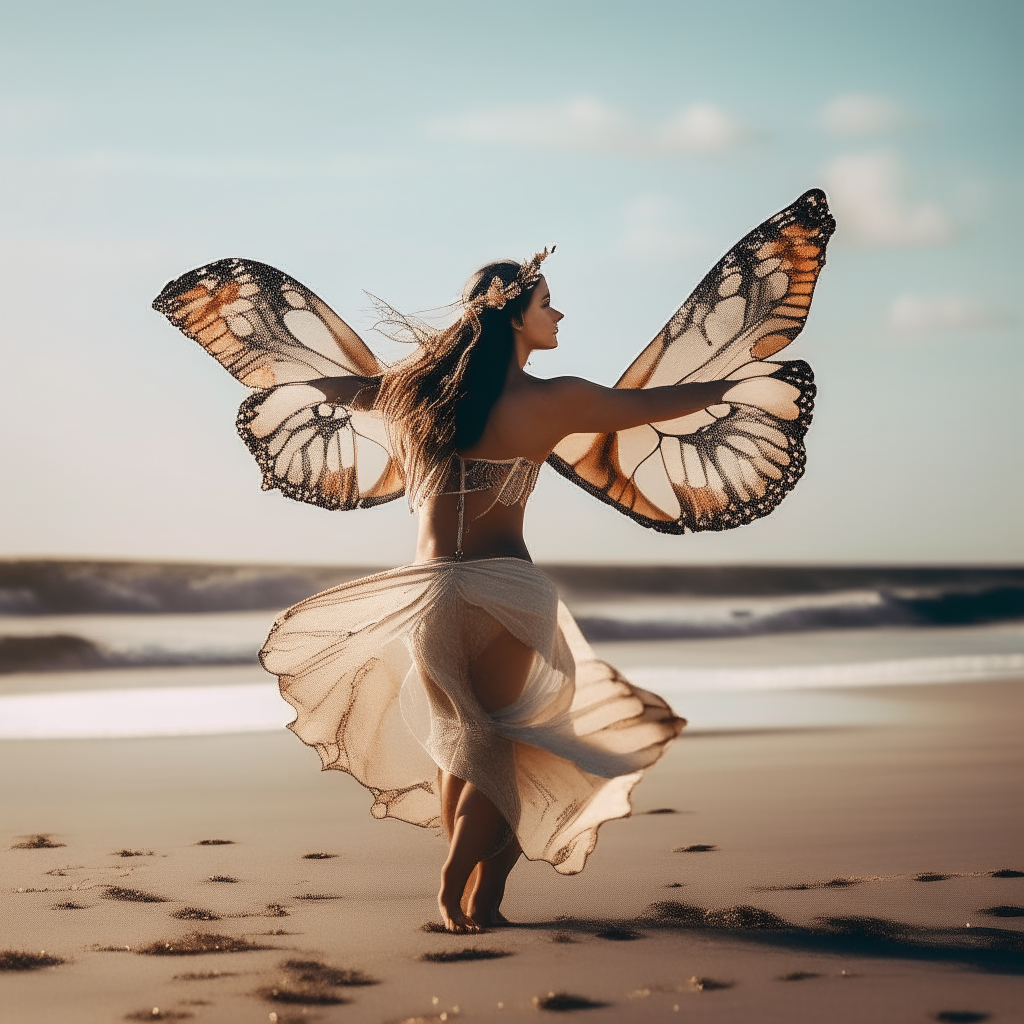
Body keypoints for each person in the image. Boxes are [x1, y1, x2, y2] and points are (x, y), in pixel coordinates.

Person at [152, 190, 833, 935]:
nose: (559, 315)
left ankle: (480, 900)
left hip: (425, 597)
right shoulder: (558, 401)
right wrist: (732, 386)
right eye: (548, 303)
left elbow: (337, 388)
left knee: (461, 746)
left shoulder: (413, 394)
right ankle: (461, 885)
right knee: (506, 749)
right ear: (515, 316)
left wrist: (311, 382)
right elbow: (661, 404)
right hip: (508, 590)